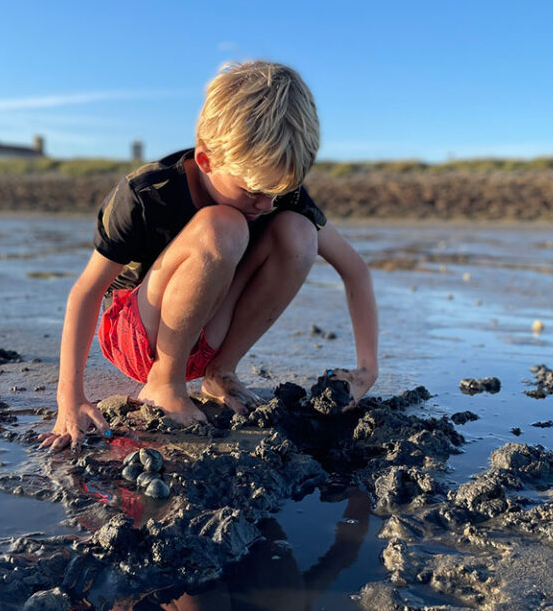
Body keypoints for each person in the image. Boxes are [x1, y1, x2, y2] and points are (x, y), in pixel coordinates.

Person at [40, 61, 378, 450]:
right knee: (224, 225)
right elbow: (87, 291)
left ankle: (220, 372)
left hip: (212, 333)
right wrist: (70, 399)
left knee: (299, 233)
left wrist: (367, 370)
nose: (266, 205)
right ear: (206, 160)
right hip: (138, 335)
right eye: (253, 191)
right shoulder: (147, 193)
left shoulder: (272, 192)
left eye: (277, 192)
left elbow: (355, 271)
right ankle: (164, 383)